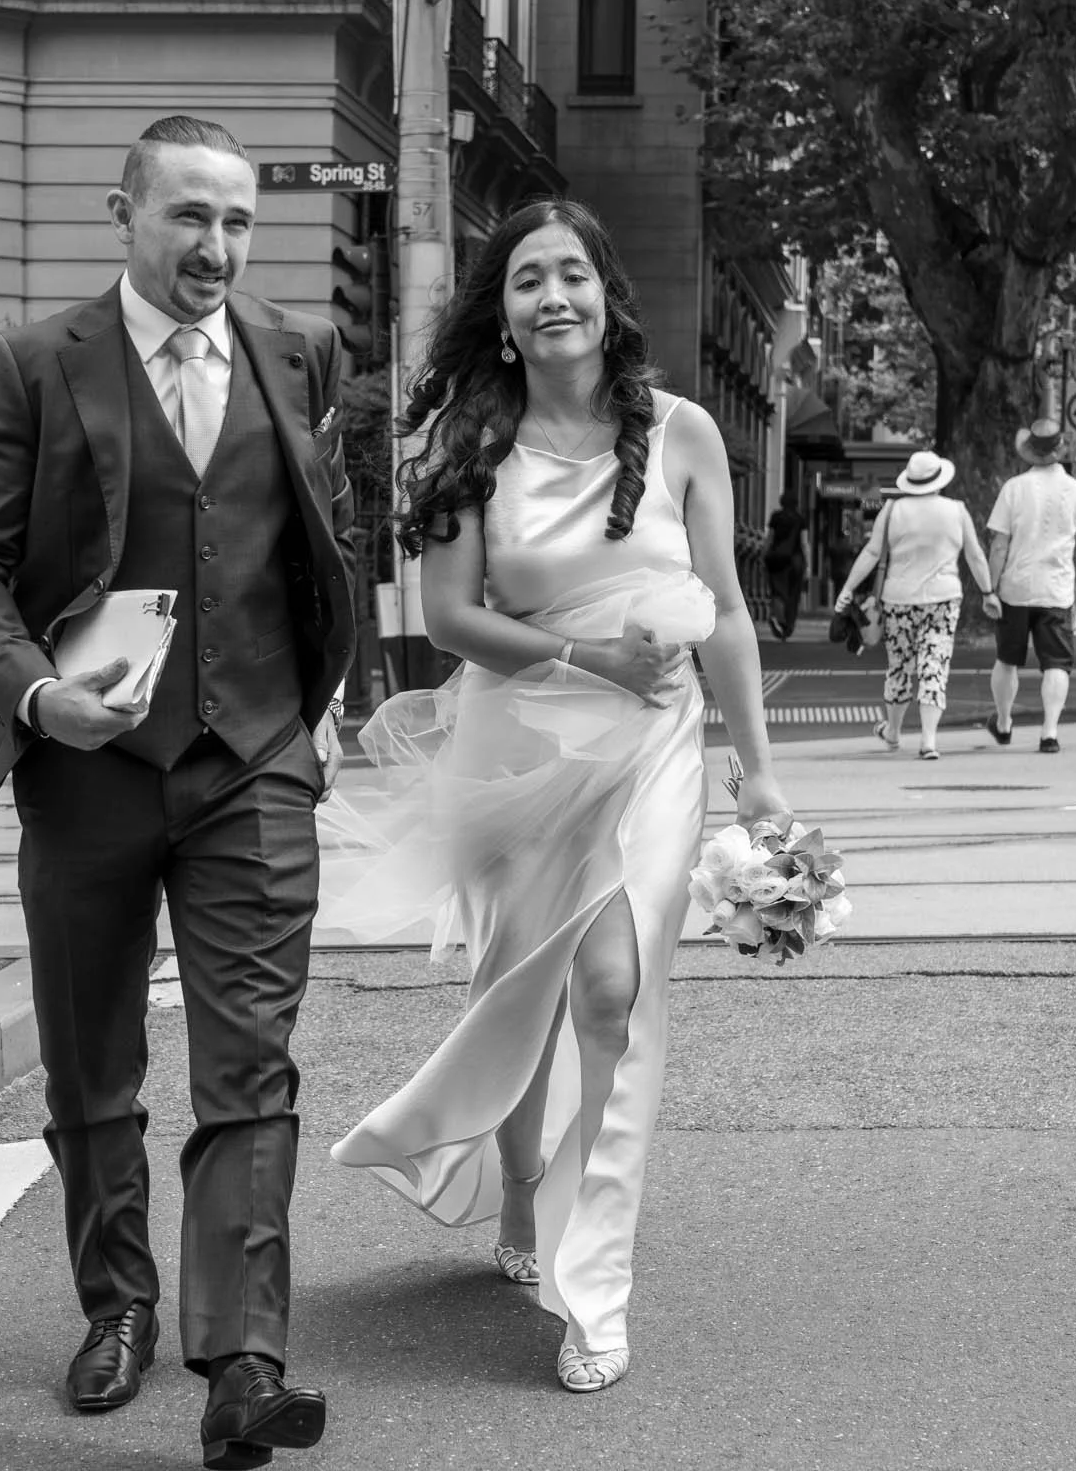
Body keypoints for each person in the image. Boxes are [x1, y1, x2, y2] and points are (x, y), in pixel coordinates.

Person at [0, 116, 356, 1469]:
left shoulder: (299, 353)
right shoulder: (33, 363)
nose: (216, 247)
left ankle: (242, 1358)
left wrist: (325, 708)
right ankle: (118, 1305)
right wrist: (35, 693)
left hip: (255, 762)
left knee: (251, 1068)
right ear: (124, 215)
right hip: (88, 769)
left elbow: (319, 543)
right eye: (187, 217)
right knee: (92, 1062)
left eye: (236, 221)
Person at [325, 199, 790, 1396]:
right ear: (504, 313)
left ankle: (599, 1290)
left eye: (572, 272)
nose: (553, 296)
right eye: (528, 279)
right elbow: (450, 618)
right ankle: (520, 1183)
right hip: (518, 743)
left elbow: (727, 611)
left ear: (604, 293)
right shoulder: (465, 444)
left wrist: (759, 770)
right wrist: (589, 658)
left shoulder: (683, 433)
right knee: (520, 991)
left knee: (611, 987)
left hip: (657, 744)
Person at [833, 449, 999, 759]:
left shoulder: (893, 510)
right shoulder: (956, 510)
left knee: (899, 666)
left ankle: (893, 733)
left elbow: (871, 552)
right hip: (943, 599)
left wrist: (848, 588)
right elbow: (975, 555)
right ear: (939, 480)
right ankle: (929, 740)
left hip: (899, 599)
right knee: (934, 664)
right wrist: (988, 592)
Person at [986, 417, 1076, 754]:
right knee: (1057, 663)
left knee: (1007, 659)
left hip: (1015, 589)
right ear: (1060, 450)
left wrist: (989, 589)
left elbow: (998, 545)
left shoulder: (1014, 488)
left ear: (1030, 452)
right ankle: (1049, 732)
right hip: (1057, 590)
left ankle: (1004, 723)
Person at [763, 488, 808, 639]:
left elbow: (769, 538)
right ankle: (788, 625)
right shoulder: (800, 519)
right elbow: (804, 543)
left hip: (777, 560)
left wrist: (764, 554)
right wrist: (807, 564)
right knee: (793, 594)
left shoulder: (776, 517)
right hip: (795, 561)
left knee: (778, 591)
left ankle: (778, 618)